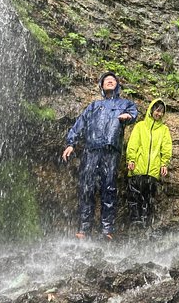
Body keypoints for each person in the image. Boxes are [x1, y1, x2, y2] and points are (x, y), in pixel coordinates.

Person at [62, 71, 138, 240]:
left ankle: (107, 229)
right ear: (102, 86)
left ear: (117, 85)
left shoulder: (125, 103)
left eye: (113, 80)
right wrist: (70, 143)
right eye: (106, 80)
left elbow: (134, 113)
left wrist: (129, 116)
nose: (110, 82)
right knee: (87, 187)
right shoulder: (94, 106)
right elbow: (79, 123)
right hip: (91, 150)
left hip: (111, 151)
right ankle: (84, 227)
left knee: (109, 188)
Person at [126, 99, 172, 228]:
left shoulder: (164, 130)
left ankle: (145, 224)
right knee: (134, 197)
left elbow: (166, 148)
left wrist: (164, 164)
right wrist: (131, 159)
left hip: (153, 171)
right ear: (151, 110)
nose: (159, 114)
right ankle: (135, 223)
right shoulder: (140, 126)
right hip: (137, 168)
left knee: (148, 198)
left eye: (162, 112)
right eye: (157, 110)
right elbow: (133, 144)